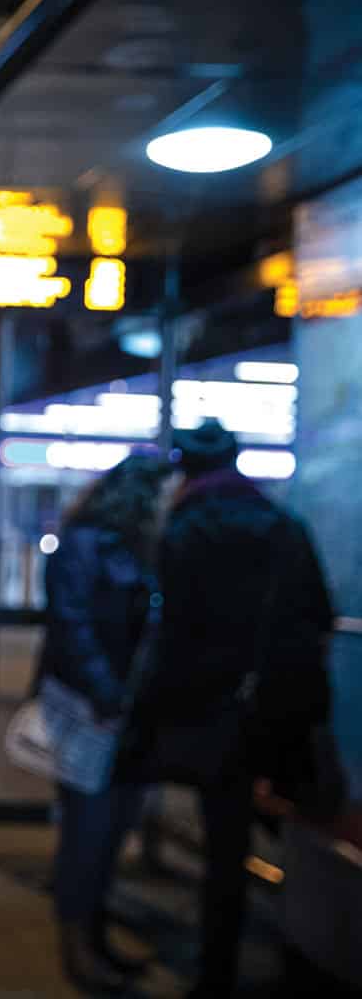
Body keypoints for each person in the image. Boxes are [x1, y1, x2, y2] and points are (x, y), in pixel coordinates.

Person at [130, 418, 334, 999]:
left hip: (208, 711)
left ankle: (216, 972)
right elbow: (317, 615)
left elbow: (173, 634)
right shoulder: (282, 524)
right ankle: (290, 946)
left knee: (224, 837)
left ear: (187, 469)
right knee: (262, 830)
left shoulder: (185, 530)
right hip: (273, 707)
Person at [36, 456, 171, 994]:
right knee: (87, 832)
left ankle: (94, 934)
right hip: (93, 708)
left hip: (130, 710)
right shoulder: (86, 543)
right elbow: (70, 622)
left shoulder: (141, 546)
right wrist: (105, 693)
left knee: (112, 829)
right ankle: (76, 946)